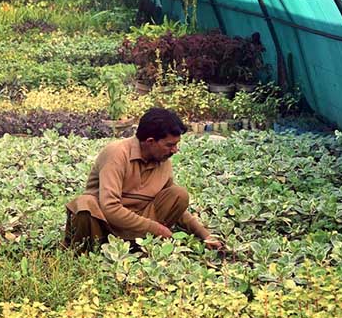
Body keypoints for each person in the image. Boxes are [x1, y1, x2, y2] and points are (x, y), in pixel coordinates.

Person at [64, 107, 223, 251]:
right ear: (150, 142)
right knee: (85, 205)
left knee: (178, 194)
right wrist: (156, 229)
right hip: (102, 225)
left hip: (136, 227)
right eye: (169, 145)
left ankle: (137, 247)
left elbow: (177, 208)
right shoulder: (117, 154)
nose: (175, 150)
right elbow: (110, 208)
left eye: (176, 144)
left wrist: (205, 235)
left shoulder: (163, 161)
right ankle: (89, 250)